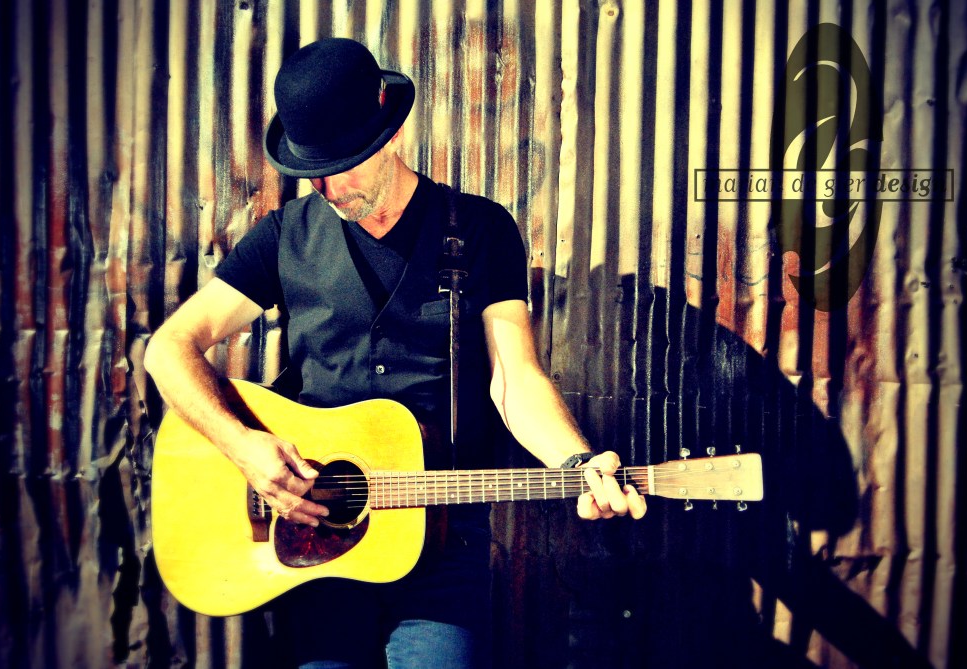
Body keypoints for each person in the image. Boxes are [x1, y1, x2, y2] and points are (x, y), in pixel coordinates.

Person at [144, 37, 646, 669]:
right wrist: (243, 446)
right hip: (315, 542)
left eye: (344, 164)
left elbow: (515, 378)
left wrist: (576, 461)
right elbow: (169, 348)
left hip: (442, 543)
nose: (327, 187)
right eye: (313, 170)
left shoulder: (481, 230)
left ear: (391, 134)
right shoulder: (283, 237)